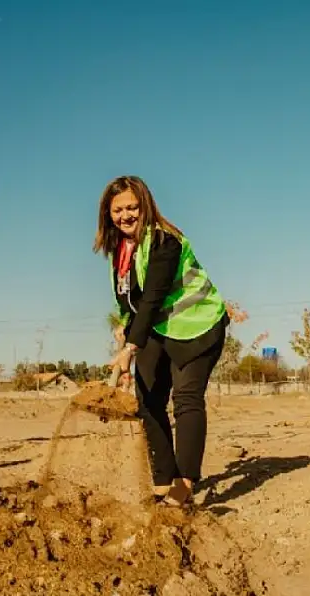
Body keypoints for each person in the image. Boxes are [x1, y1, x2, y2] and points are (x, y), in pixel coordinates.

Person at [93, 175, 229, 508]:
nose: (125, 215)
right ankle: (163, 481)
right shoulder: (121, 251)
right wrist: (124, 333)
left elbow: (153, 297)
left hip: (197, 326)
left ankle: (183, 486)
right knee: (148, 400)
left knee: (186, 398)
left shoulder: (165, 241)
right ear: (107, 214)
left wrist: (129, 349)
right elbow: (130, 300)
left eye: (132, 207)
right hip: (158, 328)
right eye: (117, 210)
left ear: (145, 206)